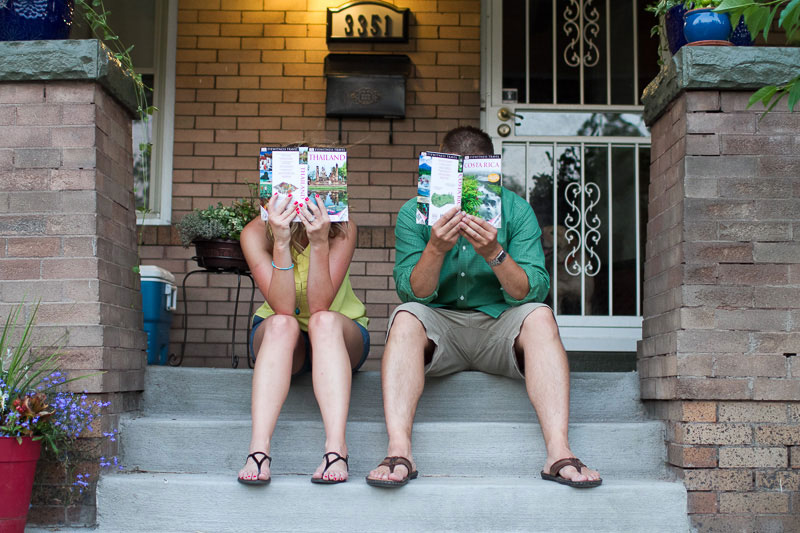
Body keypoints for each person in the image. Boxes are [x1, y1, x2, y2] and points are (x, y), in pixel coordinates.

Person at [366, 126, 602, 488]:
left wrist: (494, 252)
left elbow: (531, 292)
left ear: (491, 171)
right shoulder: (414, 212)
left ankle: (559, 451)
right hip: (440, 326)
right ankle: (400, 450)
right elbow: (411, 292)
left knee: (540, 316)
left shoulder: (515, 209)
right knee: (405, 318)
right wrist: (435, 249)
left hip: (499, 326)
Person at [237, 180, 369, 485]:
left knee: (323, 321)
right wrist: (281, 242)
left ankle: (336, 449)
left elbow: (321, 304)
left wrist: (320, 242)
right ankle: (259, 450)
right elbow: (283, 308)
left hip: (339, 334)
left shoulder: (342, 226)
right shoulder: (255, 232)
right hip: (282, 338)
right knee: (284, 324)